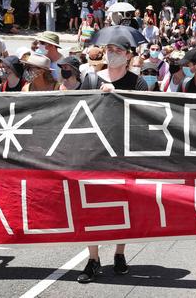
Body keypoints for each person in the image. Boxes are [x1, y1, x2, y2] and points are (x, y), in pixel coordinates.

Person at [77, 40, 146, 284]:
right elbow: (79, 111)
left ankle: (119, 253)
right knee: (90, 207)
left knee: (122, 206)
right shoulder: (92, 79)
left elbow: (144, 115)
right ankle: (93, 259)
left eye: (118, 50)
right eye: (109, 50)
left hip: (124, 153)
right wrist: (99, 96)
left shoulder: (137, 82)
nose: (112, 54)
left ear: (128, 56)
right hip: (94, 152)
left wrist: (121, 98)